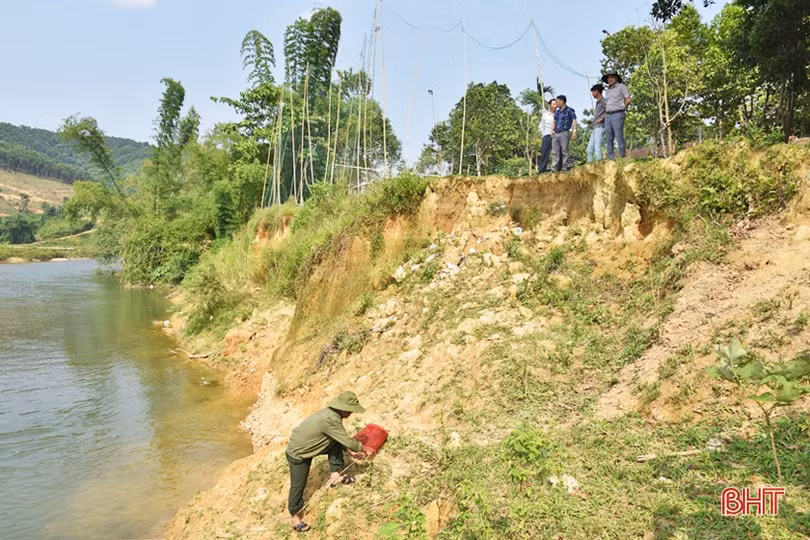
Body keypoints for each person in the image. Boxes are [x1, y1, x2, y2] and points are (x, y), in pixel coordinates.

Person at [285, 391, 374, 533]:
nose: (351, 413)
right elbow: (346, 440)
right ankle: (295, 517)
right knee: (298, 486)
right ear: (343, 408)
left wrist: (351, 451)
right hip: (298, 454)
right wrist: (363, 448)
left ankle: (335, 476)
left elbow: (339, 437)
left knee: (335, 443)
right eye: (350, 410)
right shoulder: (330, 419)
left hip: (309, 447)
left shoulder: (332, 415)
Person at [601, 69, 631, 159]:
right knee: (609, 137)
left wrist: (623, 107)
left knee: (619, 136)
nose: (610, 79)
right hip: (608, 115)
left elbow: (628, 99)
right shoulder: (607, 91)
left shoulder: (622, 87)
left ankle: (622, 156)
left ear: (616, 78)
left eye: (612, 77)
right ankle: (610, 158)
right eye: (608, 78)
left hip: (618, 113)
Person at [552, 95, 577, 172]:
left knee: (564, 151)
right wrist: (552, 130)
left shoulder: (569, 110)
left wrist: (574, 131)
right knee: (555, 151)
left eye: (557, 101)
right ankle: (554, 168)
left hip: (564, 132)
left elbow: (574, 120)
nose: (556, 103)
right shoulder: (557, 112)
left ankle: (564, 167)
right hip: (556, 133)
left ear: (562, 101)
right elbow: (554, 121)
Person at [587, 84, 606, 162]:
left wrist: (602, 118)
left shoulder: (604, 101)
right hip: (595, 127)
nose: (592, 94)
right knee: (589, 149)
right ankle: (590, 166)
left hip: (600, 127)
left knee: (597, 147)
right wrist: (592, 121)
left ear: (597, 91)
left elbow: (610, 111)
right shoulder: (597, 103)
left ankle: (599, 165)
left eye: (593, 92)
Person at [537, 98, 557, 173]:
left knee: (557, 153)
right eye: (554, 104)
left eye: (556, 104)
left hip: (556, 136)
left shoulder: (559, 115)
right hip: (547, 136)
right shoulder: (545, 115)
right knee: (544, 153)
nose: (555, 106)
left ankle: (557, 170)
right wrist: (544, 134)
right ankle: (541, 171)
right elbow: (540, 126)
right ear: (550, 105)